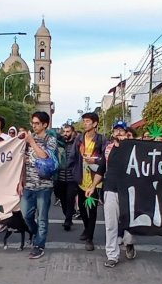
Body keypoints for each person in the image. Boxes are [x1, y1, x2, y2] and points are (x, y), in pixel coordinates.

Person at [86, 120, 137, 267]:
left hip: (130, 192)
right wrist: (93, 186)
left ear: (126, 132)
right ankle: (112, 255)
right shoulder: (108, 149)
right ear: (113, 132)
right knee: (111, 224)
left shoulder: (134, 148)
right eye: (116, 130)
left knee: (130, 224)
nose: (119, 133)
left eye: (122, 130)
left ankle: (129, 243)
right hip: (111, 189)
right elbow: (101, 170)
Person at [19, 111, 57, 259]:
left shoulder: (50, 139)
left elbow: (44, 156)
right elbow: (22, 161)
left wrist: (32, 142)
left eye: (37, 123)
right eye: (32, 123)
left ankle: (39, 245)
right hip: (28, 183)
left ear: (45, 125)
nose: (34, 126)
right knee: (26, 215)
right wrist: (20, 181)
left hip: (44, 185)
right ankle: (36, 234)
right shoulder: (28, 139)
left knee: (42, 218)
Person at [68, 112, 108, 251]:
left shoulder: (102, 140)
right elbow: (72, 157)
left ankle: (90, 238)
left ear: (95, 124)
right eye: (84, 121)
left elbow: (106, 157)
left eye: (88, 121)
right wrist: (73, 171)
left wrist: (95, 160)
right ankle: (86, 229)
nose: (85, 124)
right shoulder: (79, 139)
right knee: (82, 208)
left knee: (92, 209)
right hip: (81, 179)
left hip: (95, 181)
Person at [54, 124, 77, 231]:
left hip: (72, 178)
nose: (66, 134)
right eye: (64, 131)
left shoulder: (77, 144)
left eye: (68, 131)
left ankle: (68, 220)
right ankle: (68, 214)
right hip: (60, 177)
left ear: (73, 132)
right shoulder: (60, 144)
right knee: (62, 199)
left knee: (70, 198)